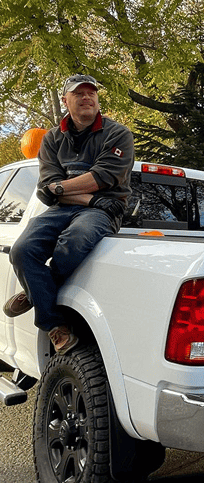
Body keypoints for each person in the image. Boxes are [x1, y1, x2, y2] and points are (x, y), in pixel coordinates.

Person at [3, 74, 135, 354]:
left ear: (98, 99)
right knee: (22, 250)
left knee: (76, 239)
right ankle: (54, 325)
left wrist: (62, 188)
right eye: (79, 93)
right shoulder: (51, 138)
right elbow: (46, 189)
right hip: (73, 208)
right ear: (65, 100)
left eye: (91, 93)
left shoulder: (117, 133)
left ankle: (36, 293)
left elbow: (104, 176)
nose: (87, 97)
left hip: (104, 211)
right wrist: (91, 199)